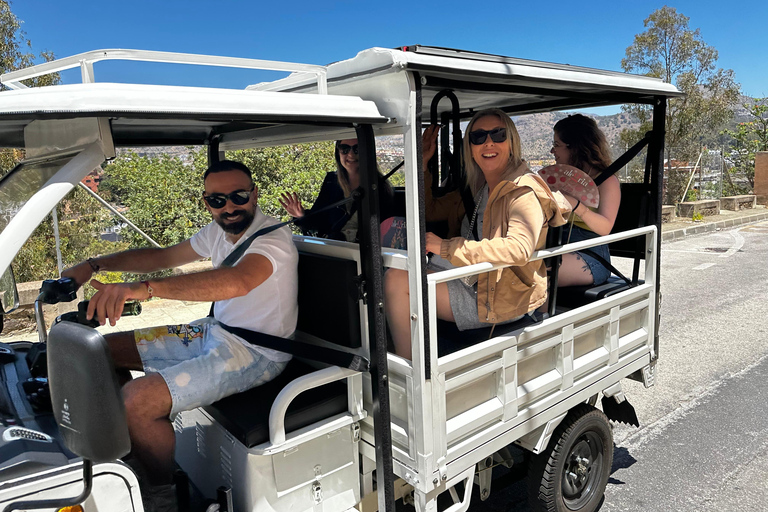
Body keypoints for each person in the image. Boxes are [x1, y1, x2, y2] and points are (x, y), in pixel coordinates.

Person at [62, 160, 298, 511]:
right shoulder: (218, 232)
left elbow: (239, 281)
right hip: (216, 331)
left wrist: (145, 290)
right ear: (207, 203)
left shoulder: (272, 240)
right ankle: (136, 453)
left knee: (135, 402)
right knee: (97, 351)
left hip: (256, 352)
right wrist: (95, 265)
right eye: (218, 200)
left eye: (238, 196)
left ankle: (161, 493)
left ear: (254, 195)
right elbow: (164, 256)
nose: (229, 207)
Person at [385, 109, 568, 358]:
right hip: (477, 280)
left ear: (511, 142)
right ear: (470, 148)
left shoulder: (523, 191)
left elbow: (519, 249)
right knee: (398, 269)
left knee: (397, 280)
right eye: (478, 137)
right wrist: (424, 162)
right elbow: (429, 210)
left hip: (501, 296)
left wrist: (447, 247)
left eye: (497, 134)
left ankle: (408, 378)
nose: (489, 142)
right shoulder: (479, 189)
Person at [550, 114, 621, 286]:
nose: (553, 151)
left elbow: (605, 227)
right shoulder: (562, 178)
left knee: (538, 273)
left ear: (575, 147)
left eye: (556, 145)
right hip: (557, 244)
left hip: (592, 255)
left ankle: (541, 315)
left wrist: (576, 206)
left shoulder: (606, 181)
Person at [279, 138, 395, 242]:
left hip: (365, 255)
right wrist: (301, 215)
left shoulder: (380, 187)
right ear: (338, 153)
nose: (350, 155)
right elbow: (319, 220)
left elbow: (387, 230)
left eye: (357, 149)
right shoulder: (331, 182)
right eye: (344, 149)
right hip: (334, 250)